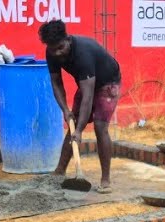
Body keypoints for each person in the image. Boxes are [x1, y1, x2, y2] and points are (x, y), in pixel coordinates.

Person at [39, 19, 122, 192]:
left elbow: (88, 96)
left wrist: (80, 131)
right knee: (73, 124)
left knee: (100, 127)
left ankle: (105, 179)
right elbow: (56, 82)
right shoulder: (52, 52)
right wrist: (65, 110)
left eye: (60, 47)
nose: (57, 53)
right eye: (53, 49)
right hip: (87, 84)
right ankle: (59, 171)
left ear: (68, 39)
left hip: (108, 83)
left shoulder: (83, 53)